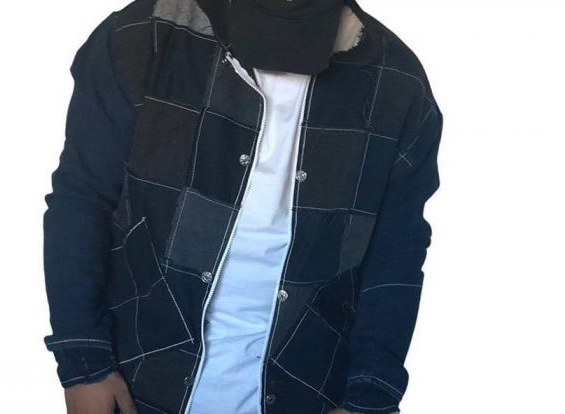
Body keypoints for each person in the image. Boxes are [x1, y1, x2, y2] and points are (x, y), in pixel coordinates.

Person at [42, 1, 443, 413]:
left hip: (308, 391)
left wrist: (369, 399)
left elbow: (396, 254)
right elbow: (83, 199)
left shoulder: (397, 84)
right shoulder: (144, 36)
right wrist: (85, 365)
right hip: (140, 379)